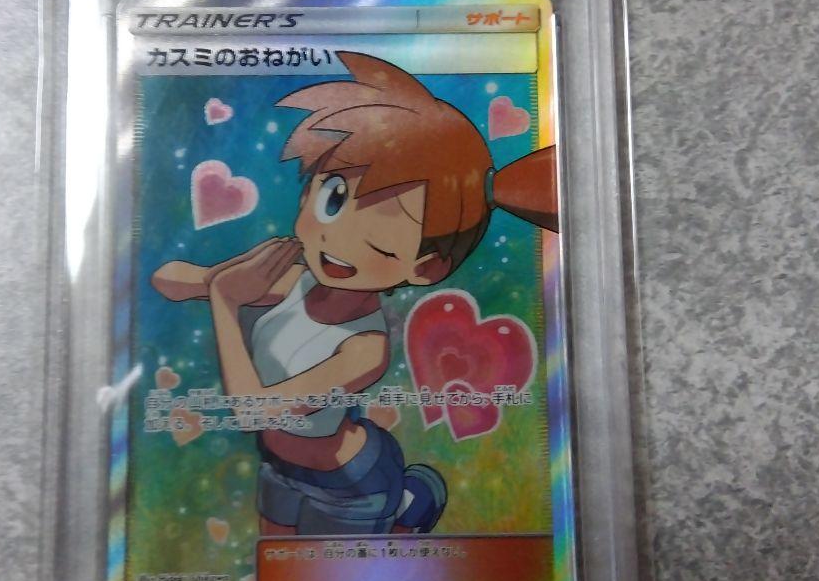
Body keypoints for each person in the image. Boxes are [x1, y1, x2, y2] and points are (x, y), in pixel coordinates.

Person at [152, 52, 558, 537]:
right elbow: (169, 280)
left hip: (349, 485)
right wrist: (219, 278)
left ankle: (407, 503)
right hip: (277, 467)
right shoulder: (289, 279)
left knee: (327, 577)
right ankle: (408, 499)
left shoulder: (366, 349)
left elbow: (252, 410)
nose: (335, 237)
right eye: (333, 199)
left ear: (424, 267)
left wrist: (224, 300)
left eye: (380, 236)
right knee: (275, 572)